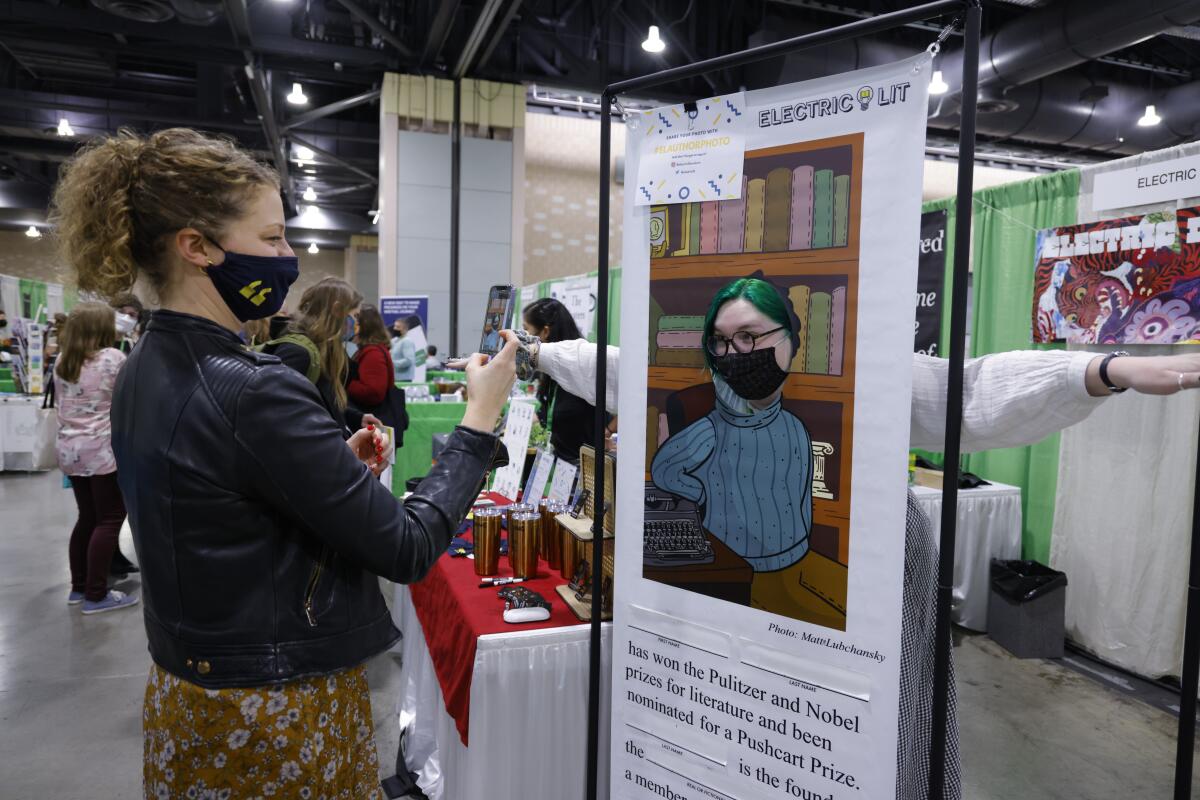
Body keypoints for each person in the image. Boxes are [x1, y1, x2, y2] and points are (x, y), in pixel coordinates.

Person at [511, 322, 1200, 800]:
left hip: (865, 582)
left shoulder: (854, 364)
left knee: (880, 733)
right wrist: (535, 357)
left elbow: (969, 391)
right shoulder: (708, 364)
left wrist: (1101, 371)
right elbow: (612, 364)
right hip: (756, 593)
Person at [51, 127, 517, 798]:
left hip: (190, 691)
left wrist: (332, 473)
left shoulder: (143, 368)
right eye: (271, 239)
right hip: (275, 710)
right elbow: (408, 546)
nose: (289, 256)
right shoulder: (252, 386)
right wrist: (479, 420)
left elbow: (217, 506)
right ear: (196, 247)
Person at [53, 302, 137, 615]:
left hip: (70, 450)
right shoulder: (113, 358)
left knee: (87, 517)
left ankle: (78, 588)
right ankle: (96, 594)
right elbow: (129, 398)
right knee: (110, 519)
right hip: (101, 451)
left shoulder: (63, 360)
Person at [261, 277, 364, 434]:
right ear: (337, 310)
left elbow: (320, 405)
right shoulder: (298, 352)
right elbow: (277, 417)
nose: (356, 324)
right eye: (354, 316)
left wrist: (356, 418)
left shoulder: (324, 349)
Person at [523, 297, 605, 465]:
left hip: (580, 469)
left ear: (545, 332)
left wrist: (609, 430)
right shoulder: (549, 371)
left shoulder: (581, 368)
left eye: (526, 330)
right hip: (557, 463)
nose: (524, 338)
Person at [350, 305, 406, 432]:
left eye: (355, 322)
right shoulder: (374, 350)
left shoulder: (373, 353)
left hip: (374, 424)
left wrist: (344, 383)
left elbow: (373, 393)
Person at [390, 315, 417, 381]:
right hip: (394, 378)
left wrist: (392, 363)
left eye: (398, 327)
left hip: (403, 379)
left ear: (405, 329)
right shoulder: (394, 341)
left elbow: (408, 360)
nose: (395, 328)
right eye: (395, 326)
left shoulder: (407, 341)